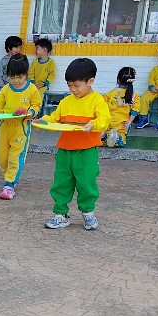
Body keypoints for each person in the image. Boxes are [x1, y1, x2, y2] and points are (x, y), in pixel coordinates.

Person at [41, 58, 110, 231]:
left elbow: (105, 120)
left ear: (90, 81)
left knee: (87, 183)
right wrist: (43, 121)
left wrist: (93, 124)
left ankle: (88, 212)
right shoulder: (66, 102)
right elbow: (54, 118)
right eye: (69, 85)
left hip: (86, 151)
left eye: (76, 85)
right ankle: (61, 214)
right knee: (61, 183)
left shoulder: (97, 100)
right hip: (65, 150)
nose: (72, 89)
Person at [0, 55, 42, 200]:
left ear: (26, 73)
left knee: (15, 158)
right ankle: (9, 179)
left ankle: (9, 185)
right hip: (5, 127)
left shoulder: (31, 89)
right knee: (3, 159)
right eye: (12, 77)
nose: (16, 81)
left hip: (21, 128)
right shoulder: (6, 89)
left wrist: (30, 113)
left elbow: (36, 105)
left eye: (19, 77)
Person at [103, 67, 135, 148]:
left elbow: (102, 106)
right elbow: (135, 110)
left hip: (108, 122)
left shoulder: (110, 93)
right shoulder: (134, 95)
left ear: (118, 80)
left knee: (106, 139)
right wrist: (129, 121)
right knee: (122, 141)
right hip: (122, 124)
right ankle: (117, 137)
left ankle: (104, 136)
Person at [0, 35, 24, 106]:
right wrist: (3, 86)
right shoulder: (3, 60)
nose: (18, 50)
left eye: (19, 47)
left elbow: (24, 75)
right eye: (16, 47)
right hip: (4, 85)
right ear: (9, 48)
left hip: (16, 86)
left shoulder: (21, 60)